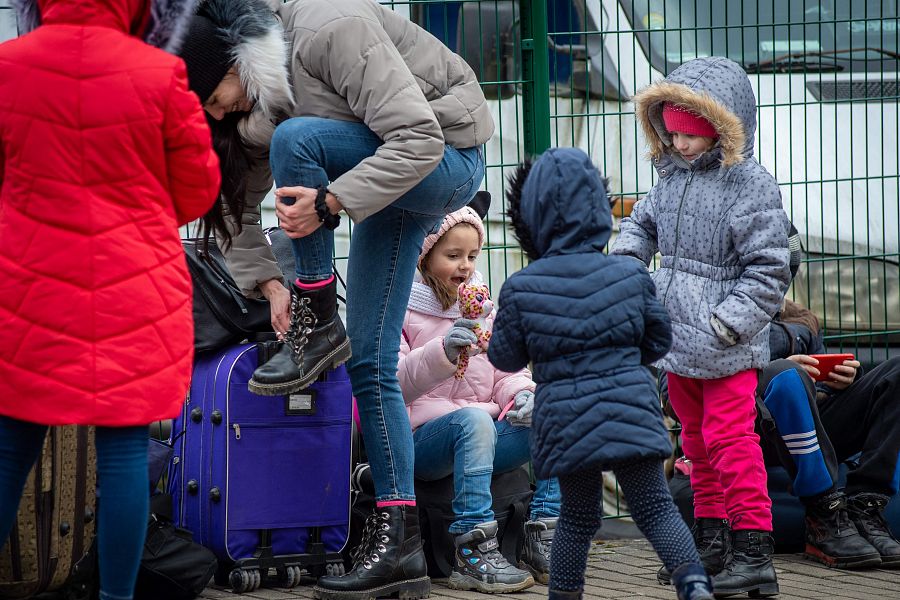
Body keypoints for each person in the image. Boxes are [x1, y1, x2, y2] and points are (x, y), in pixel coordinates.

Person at [174, 1, 494, 598]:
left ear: (234, 61)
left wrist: (332, 203)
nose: (218, 111)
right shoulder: (257, 99)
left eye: (214, 97)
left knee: (298, 137)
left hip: (446, 154)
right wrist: (272, 283)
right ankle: (399, 545)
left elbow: (418, 139)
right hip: (386, 167)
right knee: (370, 363)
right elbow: (236, 209)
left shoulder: (327, 29)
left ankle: (317, 321)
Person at [0, 1, 220, 599]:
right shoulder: (157, 72)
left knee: (10, 447)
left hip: (28, 284)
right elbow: (198, 189)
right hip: (134, 289)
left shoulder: (8, 66)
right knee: (123, 451)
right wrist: (142, 212)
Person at [489, 147, 714, 600]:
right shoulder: (628, 275)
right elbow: (659, 340)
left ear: (529, 217)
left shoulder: (522, 287)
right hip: (630, 408)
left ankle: (566, 596)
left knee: (576, 519)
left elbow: (505, 359)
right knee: (655, 509)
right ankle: (693, 584)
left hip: (566, 422)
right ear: (599, 207)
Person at [611, 56, 791, 597]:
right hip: (678, 339)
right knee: (695, 443)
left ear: (722, 127)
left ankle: (753, 549)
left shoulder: (750, 185)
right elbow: (641, 224)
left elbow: (769, 267)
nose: (680, 145)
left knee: (732, 441)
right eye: (672, 134)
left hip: (723, 342)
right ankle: (710, 542)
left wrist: (729, 324)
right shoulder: (671, 177)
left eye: (690, 136)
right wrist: (626, 265)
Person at [399, 195, 561, 593]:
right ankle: (472, 548)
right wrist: (443, 351)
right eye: (453, 255)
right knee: (473, 420)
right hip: (425, 441)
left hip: (484, 432)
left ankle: (541, 534)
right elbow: (396, 383)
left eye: (472, 255)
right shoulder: (400, 309)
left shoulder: (485, 308)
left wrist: (524, 393)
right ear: (425, 255)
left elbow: (508, 371)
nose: (466, 265)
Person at [757, 298, 900, 569]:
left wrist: (840, 382)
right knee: (785, 374)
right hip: (755, 432)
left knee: (897, 371)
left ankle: (865, 509)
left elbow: (817, 389)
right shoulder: (709, 313)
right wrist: (768, 374)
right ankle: (823, 513)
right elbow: (674, 398)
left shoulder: (802, 319)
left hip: (812, 431)